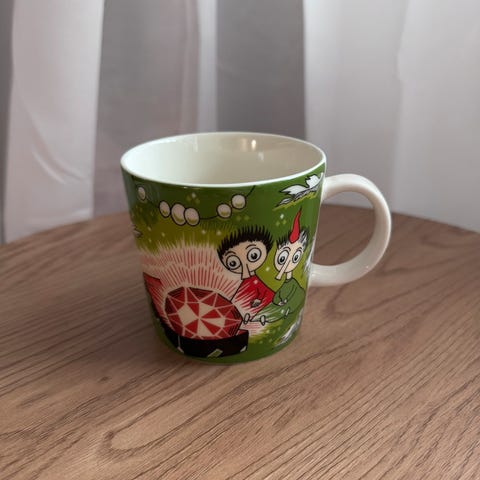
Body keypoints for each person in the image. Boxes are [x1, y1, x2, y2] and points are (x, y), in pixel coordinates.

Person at [253, 210, 308, 326]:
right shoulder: (286, 284)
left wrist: (283, 301)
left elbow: (295, 294)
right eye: (282, 259)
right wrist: (277, 301)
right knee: (274, 307)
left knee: (284, 309)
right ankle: (258, 317)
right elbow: (277, 296)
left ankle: (265, 318)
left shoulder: (293, 284)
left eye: (295, 257)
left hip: (290, 304)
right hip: (281, 302)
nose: (288, 263)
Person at [218, 226, 274, 315]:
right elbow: (236, 301)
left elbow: (268, 295)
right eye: (233, 263)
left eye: (253, 256)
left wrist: (259, 300)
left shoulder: (254, 282)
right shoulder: (246, 282)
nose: (245, 269)